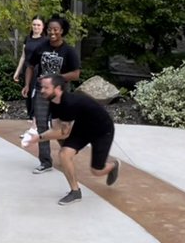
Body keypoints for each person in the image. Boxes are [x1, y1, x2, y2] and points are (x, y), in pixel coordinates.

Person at [28, 73, 121, 206]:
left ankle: (113, 165)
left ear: (58, 88)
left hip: (102, 130)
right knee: (64, 154)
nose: (42, 90)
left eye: (46, 88)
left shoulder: (70, 103)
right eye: (42, 87)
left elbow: (63, 133)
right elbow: (56, 128)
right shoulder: (53, 101)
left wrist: (39, 137)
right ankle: (75, 191)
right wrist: (41, 137)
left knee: (96, 171)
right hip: (82, 128)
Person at [21, 16, 81, 174]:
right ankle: (45, 161)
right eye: (50, 29)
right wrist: (27, 85)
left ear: (62, 31)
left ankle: (67, 152)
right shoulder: (41, 46)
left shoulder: (68, 50)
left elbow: (76, 74)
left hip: (60, 94)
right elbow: (30, 66)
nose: (52, 32)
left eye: (56, 30)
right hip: (42, 92)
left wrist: (58, 78)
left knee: (60, 128)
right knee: (41, 125)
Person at [12, 17, 47, 119]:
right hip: (27, 70)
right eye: (34, 24)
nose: (36, 27)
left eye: (38, 25)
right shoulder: (28, 39)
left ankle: (34, 119)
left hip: (38, 71)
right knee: (27, 94)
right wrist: (17, 72)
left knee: (35, 95)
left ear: (43, 27)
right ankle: (30, 117)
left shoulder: (45, 40)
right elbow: (23, 56)